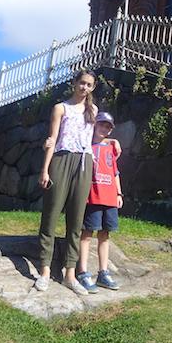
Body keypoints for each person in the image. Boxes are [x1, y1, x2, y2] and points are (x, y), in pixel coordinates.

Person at [35, 70, 104, 295]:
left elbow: (94, 138)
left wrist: (111, 141)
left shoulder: (93, 110)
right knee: (51, 215)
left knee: (76, 221)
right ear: (74, 83)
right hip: (62, 160)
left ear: (92, 88)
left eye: (89, 85)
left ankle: (70, 274)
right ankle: (44, 271)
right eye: (81, 83)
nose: (84, 87)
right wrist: (45, 170)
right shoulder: (60, 108)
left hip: (84, 163)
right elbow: (52, 140)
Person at [76, 111, 123, 292]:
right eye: (101, 124)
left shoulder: (111, 148)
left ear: (110, 130)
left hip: (110, 197)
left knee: (105, 235)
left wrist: (119, 194)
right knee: (87, 234)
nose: (103, 128)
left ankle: (103, 273)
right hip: (92, 197)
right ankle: (83, 272)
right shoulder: (86, 146)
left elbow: (115, 173)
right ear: (94, 125)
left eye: (107, 126)